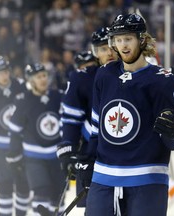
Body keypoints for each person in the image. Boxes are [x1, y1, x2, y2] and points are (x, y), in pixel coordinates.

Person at [74, 13, 174, 216]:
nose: (123, 45)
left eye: (128, 38)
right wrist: (87, 159)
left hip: (147, 181)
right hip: (104, 178)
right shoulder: (104, 75)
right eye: (118, 40)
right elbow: (96, 128)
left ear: (142, 39)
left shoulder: (163, 81)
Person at [57, 27, 118, 209]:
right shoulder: (82, 78)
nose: (109, 52)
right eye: (103, 49)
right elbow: (71, 119)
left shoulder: (134, 75)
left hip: (126, 156)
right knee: (95, 209)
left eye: (112, 46)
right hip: (92, 155)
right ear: (95, 52)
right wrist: (68, 149)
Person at [7, 63, 66, 215]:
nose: (43, 79)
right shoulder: (23, 100)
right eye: (38, 77)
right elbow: (14, 131)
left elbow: (69, 125)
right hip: (34, 158)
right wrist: (14, 156)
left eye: (44, 75)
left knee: (58, 198)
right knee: (41, 193)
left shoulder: (58, 96)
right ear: (31, 80)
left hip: (57, 157)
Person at [0, 56, 30, 216]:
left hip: (18, 146)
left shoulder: (20, 86)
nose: (4, 75)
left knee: (23, 185)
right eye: (0, 72)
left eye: (6, 71)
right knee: (5, 186)